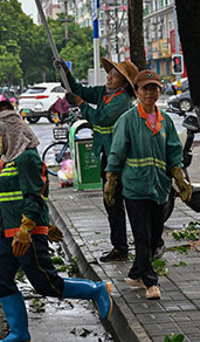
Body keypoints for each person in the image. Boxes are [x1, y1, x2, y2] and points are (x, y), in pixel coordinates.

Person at [0, 110, 112, 342]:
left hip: (25, 234)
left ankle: (97, 290)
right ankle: (19, 333)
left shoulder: (27, 158)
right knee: (1, 281)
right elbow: (7, 200)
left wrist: (29, 228)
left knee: (47, 284)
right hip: (8, 234)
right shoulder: (7, 160)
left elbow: (35, 194)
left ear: (11, 135)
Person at [105, 70, 191, 300]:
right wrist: (111, 181)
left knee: (154, 238)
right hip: (134, 187)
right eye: (145, 89)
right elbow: (117, 152)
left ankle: (136, 272)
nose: (149, 93)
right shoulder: (128, 120)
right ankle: (151, 282)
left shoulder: (165, 121)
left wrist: (179, 177)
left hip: (159, 188)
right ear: (137, 91)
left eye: (154, 88)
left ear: (159, 91)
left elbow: (174, 151)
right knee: (142, 236)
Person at [56, 58, 138, 262]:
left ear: (125, 83)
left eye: (115, 76)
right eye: (110, 74)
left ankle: (122, 247)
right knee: (111, 202)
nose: (110, 77)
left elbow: (100, 117)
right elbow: (81, 91)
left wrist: (79, 104)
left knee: (115, 201)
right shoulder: (106, 93)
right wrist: (66, 73)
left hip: (119, 158)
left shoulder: (121, 100)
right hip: (107, 154)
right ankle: (119, 245)